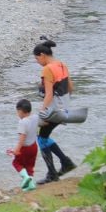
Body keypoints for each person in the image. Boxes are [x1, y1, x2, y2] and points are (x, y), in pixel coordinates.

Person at [33, 39, 77, 184]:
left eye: (37, 58)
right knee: (44, 137)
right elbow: (71, 88)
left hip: (54, 109)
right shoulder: (62, 65)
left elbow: (49, 94)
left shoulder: (47, 69)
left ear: (42, 55)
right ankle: (65, 163)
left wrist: (42, 111)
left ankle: (53, 173)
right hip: (64, 108)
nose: (37, 62)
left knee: (41, 138)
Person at [7, 99, 38, 192]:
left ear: (20, 110)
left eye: (17, 111)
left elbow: (22, 138)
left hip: (25, 148)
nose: (17, 114)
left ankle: (25, 178)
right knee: (30, 166)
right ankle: (31, 184)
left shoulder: (23, 122)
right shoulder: (35, 117)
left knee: (16, 163)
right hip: (34, 146)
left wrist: (16, 150)